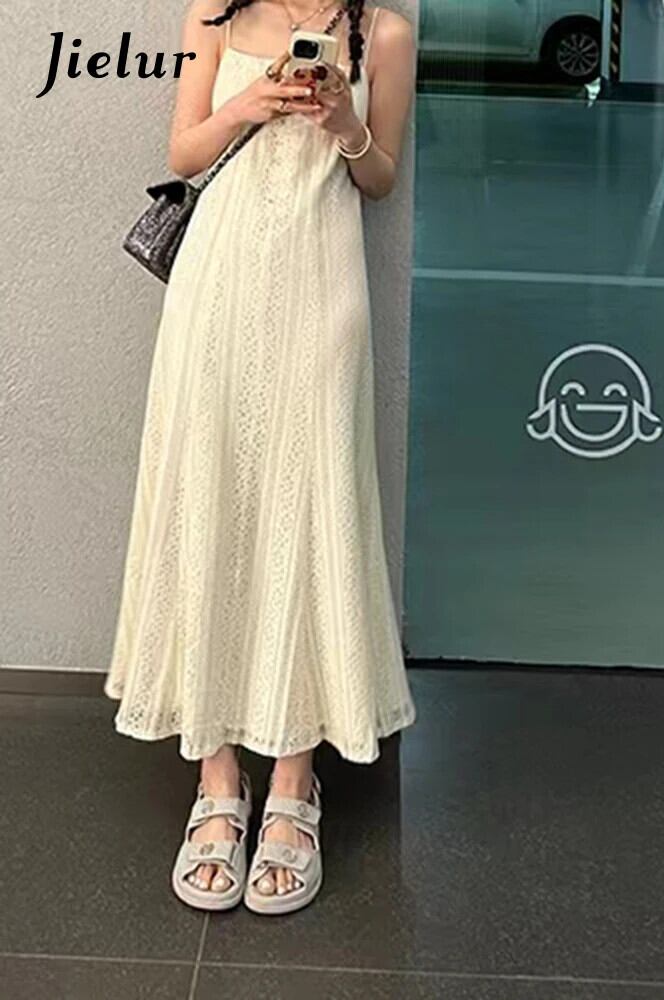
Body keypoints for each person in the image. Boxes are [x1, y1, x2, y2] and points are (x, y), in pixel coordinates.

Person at [103, 0, 417, 915]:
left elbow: (381, 180)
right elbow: (183, 153)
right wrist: (250, 105)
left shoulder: (384, 34)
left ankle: (293, 779)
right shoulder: (211, 14)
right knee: (208, 497)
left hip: (323, 292)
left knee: (312, 506)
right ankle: (216, 777)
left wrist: (345, 122)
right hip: (215, 288)